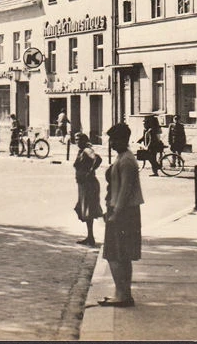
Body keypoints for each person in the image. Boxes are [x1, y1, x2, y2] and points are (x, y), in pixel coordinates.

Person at [99, 123, 144, 308]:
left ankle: (122, 294)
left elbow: (125, 191)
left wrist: (115, 213)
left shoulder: (126, 160)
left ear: (123, 140)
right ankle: (123, 293)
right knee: (122, 254)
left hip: (123, 212)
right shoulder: (124, 157)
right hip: (123, 210)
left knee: (114, 254)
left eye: (114, 139)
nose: (111, 143)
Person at [73, 133, 104, 247]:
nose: (76, 141)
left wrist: (90, 171)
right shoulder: (81, 151)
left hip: (89, 184)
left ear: (84, 140)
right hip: (83, 185)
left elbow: (98, 159)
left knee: (89, 210)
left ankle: (92, 237)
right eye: (75, 139)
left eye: (79, 139)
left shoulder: (87, 150)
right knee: (86, 210)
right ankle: (90, 236)